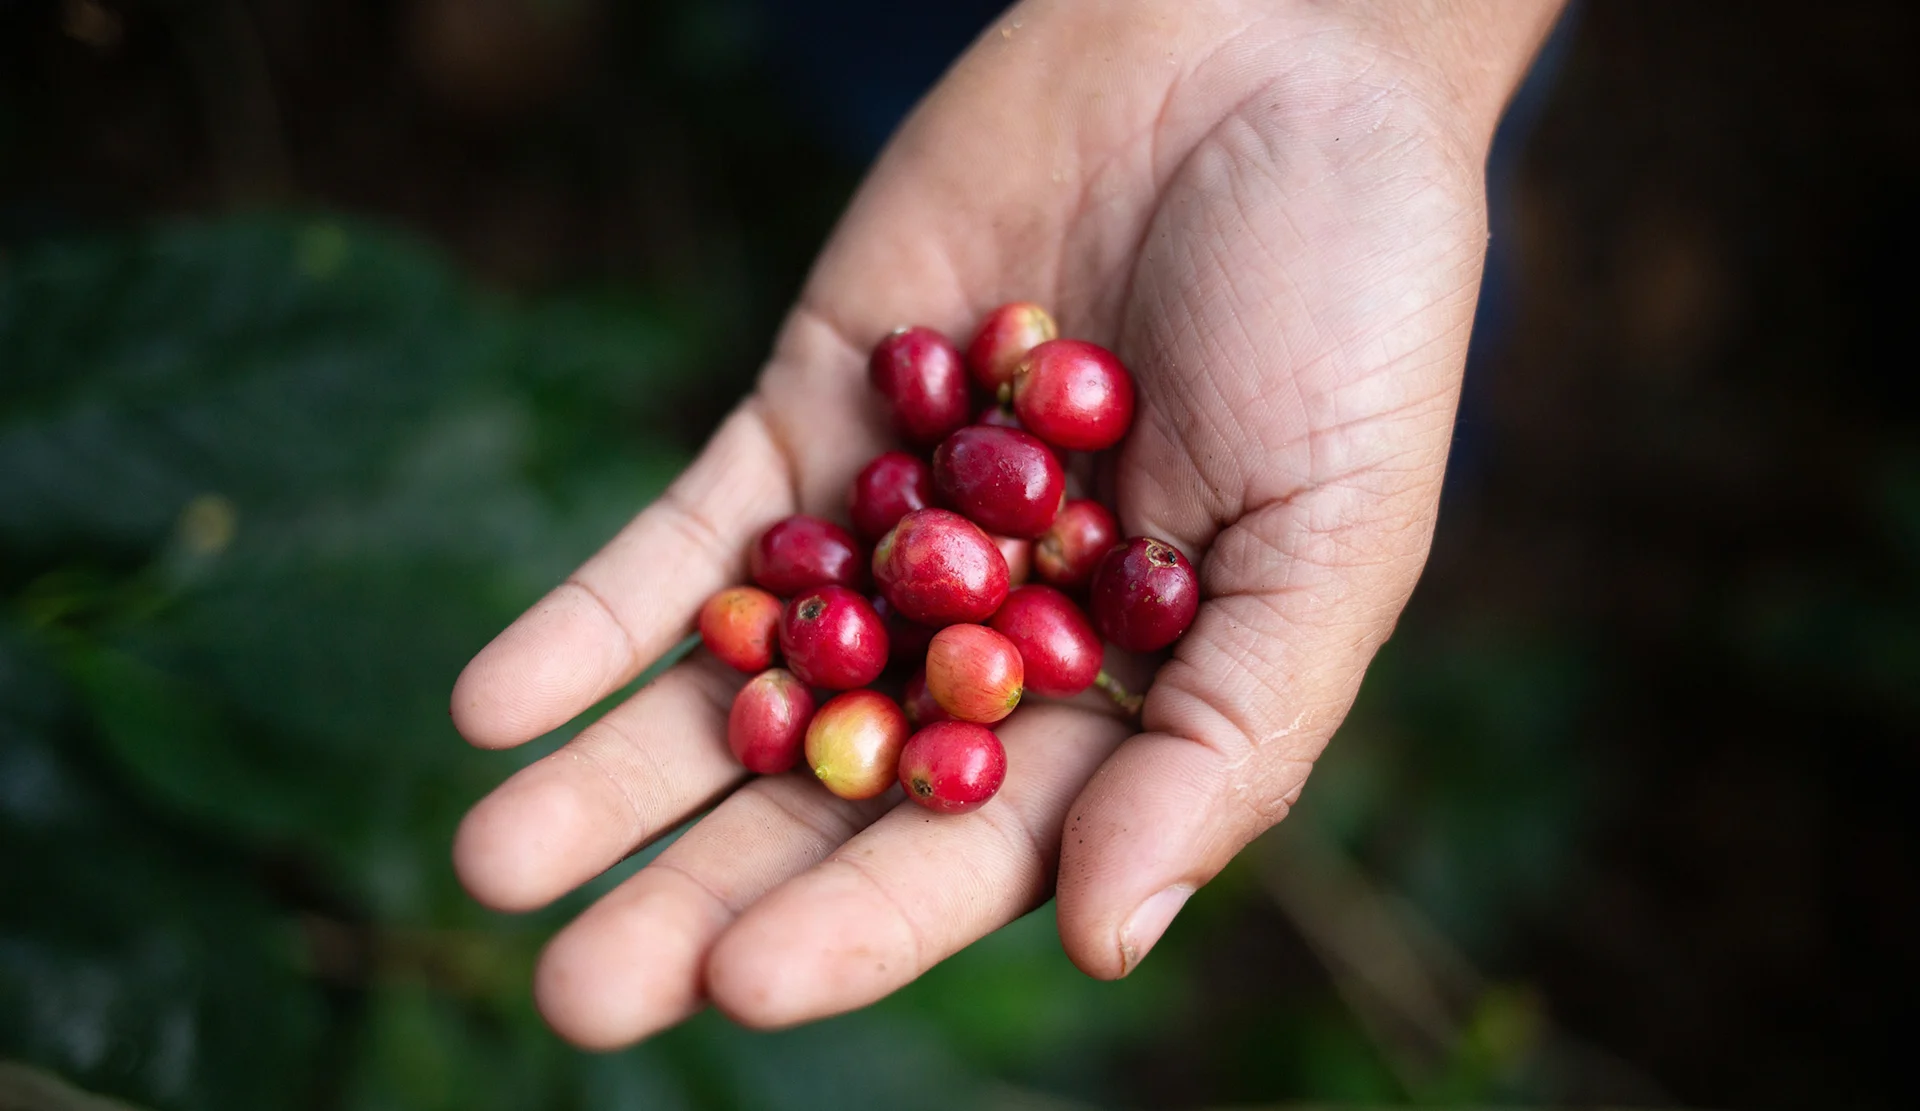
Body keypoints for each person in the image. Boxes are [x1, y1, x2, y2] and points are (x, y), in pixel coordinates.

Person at [447, 0, 1567, 1049]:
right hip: (992, 87)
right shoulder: (953, 562)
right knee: (860, 61)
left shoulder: (987, 558)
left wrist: (1392, 34)